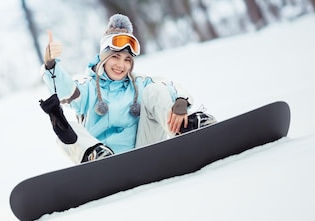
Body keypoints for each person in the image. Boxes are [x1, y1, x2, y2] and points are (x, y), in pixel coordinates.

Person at [41, 13, 215, 163]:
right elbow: (65, 92)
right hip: (103, 160)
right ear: (103, 58)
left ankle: (186, 132)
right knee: (65, 131)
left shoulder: (139, 84)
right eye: (115, 57)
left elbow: (170, 87)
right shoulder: (87, 87)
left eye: (127, 59)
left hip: (146, 150)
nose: (121, 65)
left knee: (156, 91)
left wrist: (180, 102)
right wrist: (51, 64)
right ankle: (96, 157)